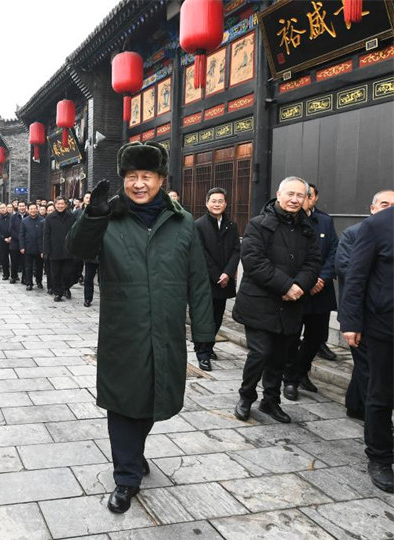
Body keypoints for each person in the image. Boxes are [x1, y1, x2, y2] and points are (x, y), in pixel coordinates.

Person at [66, 141, 214, 514]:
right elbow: (77, 249)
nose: (139, 184)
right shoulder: (109, 217)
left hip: (165, 331)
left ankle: (133, 454)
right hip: (122, 331)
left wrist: (203, 336)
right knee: (122, 403)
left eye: (146, 176)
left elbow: (198, 279)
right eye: (131, 176)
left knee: (152, 400)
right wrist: (93, 214)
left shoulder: (182, 223)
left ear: (161, 179)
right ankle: (125, 476)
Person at [233, 176, 321, 424]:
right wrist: (285, 285)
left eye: (300, 196)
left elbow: (314, 262)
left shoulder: (307, 228)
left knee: (280, 357)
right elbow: (253, 260)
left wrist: (298, 286)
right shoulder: (259, 224)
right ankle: (246, 396)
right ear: (278, 194)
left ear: (306, 199)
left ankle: (271, 401)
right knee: (260, 353)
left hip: (291, 304)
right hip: (260, 302)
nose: (294, 199)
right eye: (290, 194)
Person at [339, 204, 393, 493]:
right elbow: (355, 277)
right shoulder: (378, 225)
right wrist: (350, 322)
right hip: (384, 326)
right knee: (381, 393)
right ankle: (381, 457)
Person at [336, 190, 394, 419]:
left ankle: (355, 405)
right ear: (372, 208)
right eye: (384, 204)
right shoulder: (354, 233)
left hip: (382, 312)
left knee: (366, 368)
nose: (388, 208)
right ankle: (371, 417)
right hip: (362, 314)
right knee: (369, 369)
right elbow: (349, 271)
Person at [282, 184, 339, 400]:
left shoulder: (325, 221)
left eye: (307, 195)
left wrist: (322, 277)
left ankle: (301, 371)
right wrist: (304, 281)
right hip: (296, 290)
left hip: (320, 291)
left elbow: (334, 251)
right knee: (292, 337)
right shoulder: (288, 221)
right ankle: (289, 379)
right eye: (297, 195)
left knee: (316, 337)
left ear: (313, 199)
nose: (302, 199)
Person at [193, 187, 240, 370]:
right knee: (204, 317)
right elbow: (200, 252)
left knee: (218, 317)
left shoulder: (232, 225)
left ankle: (209, 345)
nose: (217, 204)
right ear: (207, 203)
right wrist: (217, 275)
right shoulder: (198, 225)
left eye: (220, 201)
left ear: (225, 203)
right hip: (206, 281)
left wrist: (227, 273)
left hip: (224, 280)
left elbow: (237, 250)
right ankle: (202, 353)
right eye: (213, 201)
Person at [43, 196, 78, 302]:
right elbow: (46, 236)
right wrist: (46, 251)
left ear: (66, 205)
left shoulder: (71, 217)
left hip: (68, 251)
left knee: (68, 273)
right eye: (58, 204)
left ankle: (66, 288)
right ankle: (58, 292)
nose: (60, 206)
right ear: (55, 205)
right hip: (55, 250)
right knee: (55, 273)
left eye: (62, 204)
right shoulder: (49, 218)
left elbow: (75, 234)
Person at [19, 202, 44, 291]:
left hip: (39, 248)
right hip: (28, 247)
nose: (33, 210)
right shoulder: (24, 221)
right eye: (31, 209)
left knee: (39, 267)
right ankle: (29, 283)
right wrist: (22, 246)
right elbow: (21, 235)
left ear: (37, 209)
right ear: (28, 210)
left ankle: (39, 281)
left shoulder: (42, 220)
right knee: (28, 267)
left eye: (34, 209)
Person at [9, 200, 27, 283]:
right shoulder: (13, 217)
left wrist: (23, 239)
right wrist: (19, 237)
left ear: (25, 207)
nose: (22, 208)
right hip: (15, 243)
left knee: (24, 262)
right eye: (20, 206)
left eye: (23, 206)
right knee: (14, 261)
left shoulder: (28, 216)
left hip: (25, 243)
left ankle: (24, 278)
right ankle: (13, 276)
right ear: (17, 207)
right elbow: (11, 229)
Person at [0, 202, 12, 280]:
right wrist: (3, 238)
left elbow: (15, 228)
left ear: (7, 208)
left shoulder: (12, 217)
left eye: (4, 208)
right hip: (2, 241)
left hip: (12, 240)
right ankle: (6, 274)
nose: (3, 209)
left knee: (14, 258)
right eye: (1, 208)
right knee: (4, 258)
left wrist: (11, 237)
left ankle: (14, 275)